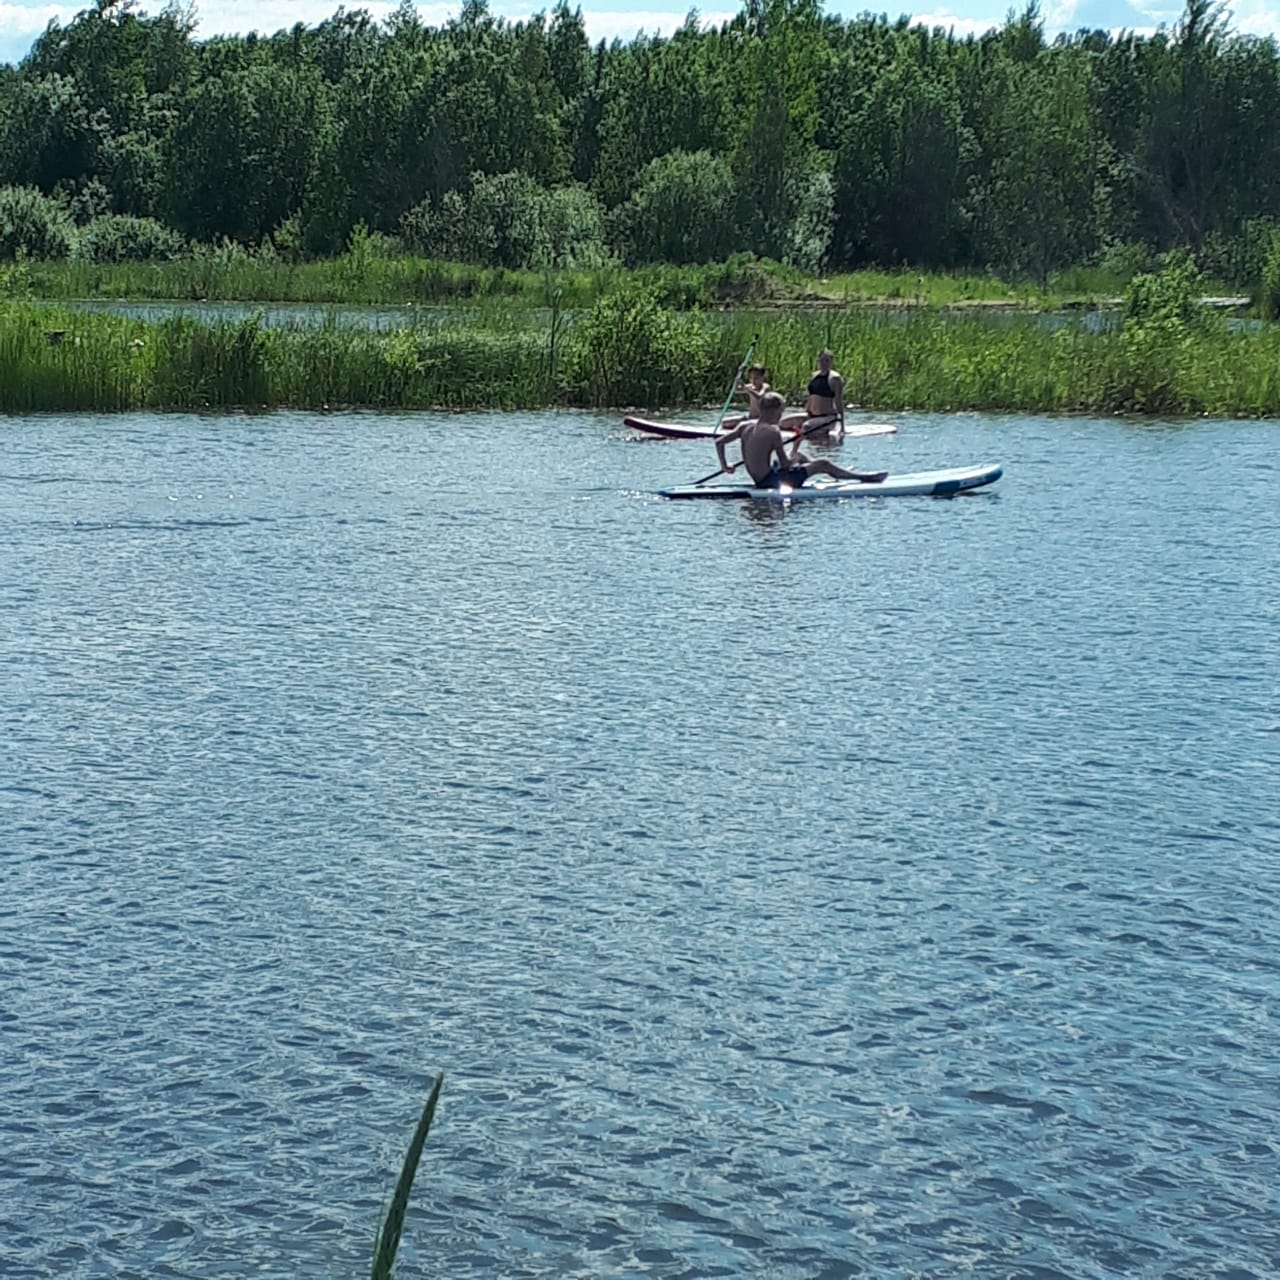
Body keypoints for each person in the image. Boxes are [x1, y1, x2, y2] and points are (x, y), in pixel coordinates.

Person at [715, 391, 868, 491]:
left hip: (761, 479)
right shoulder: (773, 432)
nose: (781, 416)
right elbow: (787, 464)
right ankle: (861, 477)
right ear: (773, 411)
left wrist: (725, 466)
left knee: (799, 456)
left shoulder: (744, 426)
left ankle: (830, 472)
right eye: (781, 412)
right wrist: (796, 443)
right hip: (772, 482)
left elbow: (719, 442)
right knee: (823, 463)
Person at [782, 348, 845, 438]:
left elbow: (839, 402)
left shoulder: (834, 378)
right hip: (812, 416)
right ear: (818, 361)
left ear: (831, 362)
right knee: (783, 423)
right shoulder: (814, 376)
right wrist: (807, 411)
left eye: (827, 361)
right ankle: (810, 432)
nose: (824, 363)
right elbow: (811, 396)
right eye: (821, 360)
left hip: (827, 417)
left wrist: (842, 426)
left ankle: (820, 436)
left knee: (807, 427)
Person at [723, 363, 770, 428]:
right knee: (725, 423)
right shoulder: (750, 387)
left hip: (760, 419)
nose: (753, 381)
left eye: (756, 378)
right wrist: (739, 374)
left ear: (762, 377)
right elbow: (736, 390)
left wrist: (747, 389)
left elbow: (760, 396)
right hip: (750, 417)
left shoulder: (765, 387)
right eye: (751, 378)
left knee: (746, 425)